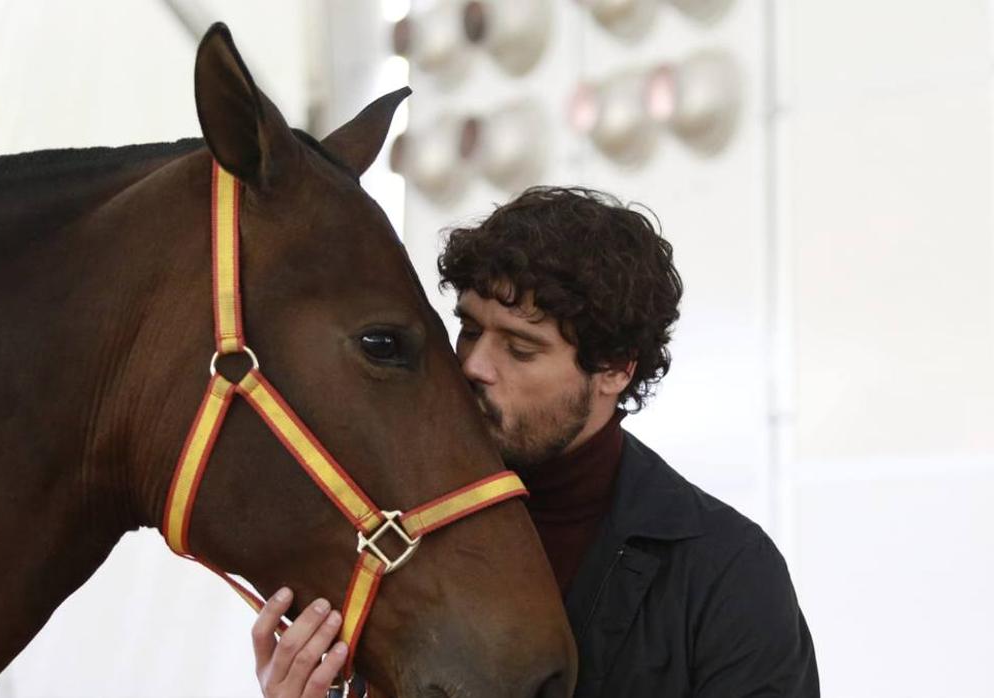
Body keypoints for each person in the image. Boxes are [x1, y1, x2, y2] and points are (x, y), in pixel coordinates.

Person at [249, 186, 820, 697]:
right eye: (469, 329)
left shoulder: (726, 570)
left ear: (616, 369)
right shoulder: (390, 528)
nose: (472, 365)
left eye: (521, 349)